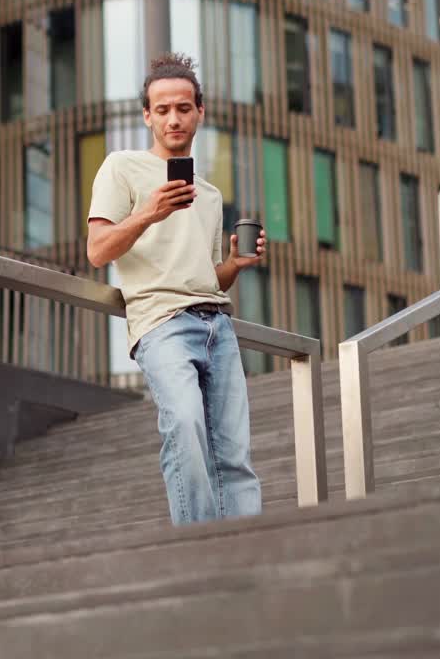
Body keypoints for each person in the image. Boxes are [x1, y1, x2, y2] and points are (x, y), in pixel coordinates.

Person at [85, 53, 267, 526]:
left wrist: (235, 264)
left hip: (217, 324)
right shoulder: (121, 168)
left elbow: (207, 276)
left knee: (234, 451)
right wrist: (149, 213)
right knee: (184, 427)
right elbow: (98, 251)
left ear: (199, 112)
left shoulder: (208, 194)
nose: (173, 118)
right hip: (161, 324)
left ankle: (244, 547)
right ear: (147, 115)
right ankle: (198, 549)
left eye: (183, 108)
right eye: (162, 109)